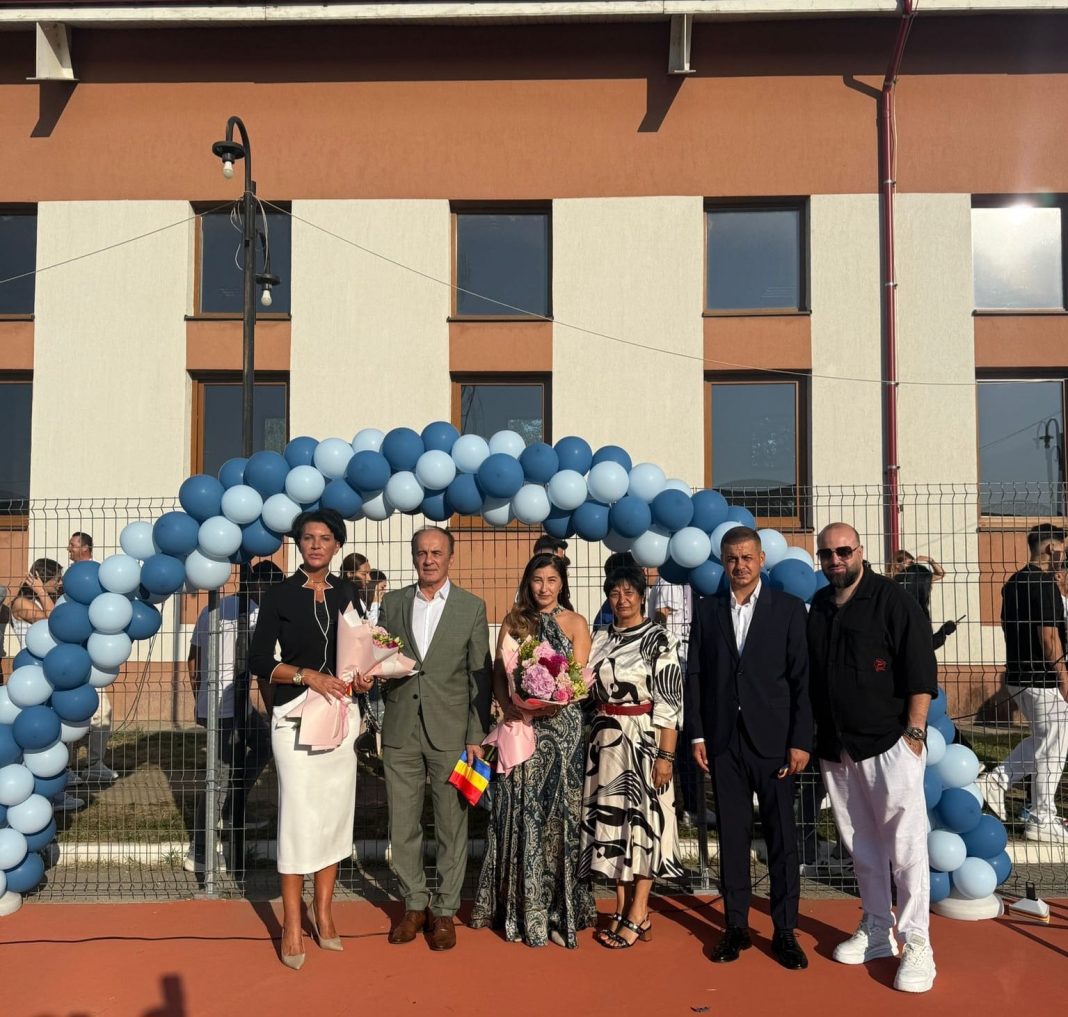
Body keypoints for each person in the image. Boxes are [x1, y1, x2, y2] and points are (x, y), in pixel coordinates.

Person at [808, 523, 937, 994]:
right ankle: (878, 927)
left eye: (844, 551)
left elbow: (920, 669)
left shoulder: (893, 601)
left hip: (889, 743)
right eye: (827, 554)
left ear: (860, 551)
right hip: (838, 748)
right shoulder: (820, 605)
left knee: (905, 845)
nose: (836, 560)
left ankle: (918, 941)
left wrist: (914, 733)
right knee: (860, 844)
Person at [248, 509, 375, 970]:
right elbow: (259, 660)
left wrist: (363, 679)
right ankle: (291, 923)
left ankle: (323, 912)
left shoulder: (348, 592)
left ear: (338, 545)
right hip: (294, 717)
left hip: (340, 715)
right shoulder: (279, 594)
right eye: (308, 538)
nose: (316, 545)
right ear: (298, 544)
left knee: (335, 814)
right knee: (299, 816)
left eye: (325, 538)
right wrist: (307, 676)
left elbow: (361, 652)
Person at [686, 526, 811, 969]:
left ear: (761, 560)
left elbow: (802, 679)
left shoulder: (789, 610)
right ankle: (735, 926)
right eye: (732, 558)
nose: (739, 565)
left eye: (746, 557)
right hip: (724, 742)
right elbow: (696, 676)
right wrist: (698, 735)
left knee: (781, 838)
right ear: (723, 562)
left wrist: (800, 740)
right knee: (733, 838)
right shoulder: (707, 610)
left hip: (774, 743)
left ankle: (784, 930)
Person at [470, 552, 597, 947]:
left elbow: (576, 680)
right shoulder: (514, 621)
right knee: (520, 811)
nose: (544, 587)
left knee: (559, 817)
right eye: (537, 580)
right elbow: (499, 670)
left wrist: (553, 700)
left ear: (562, 584)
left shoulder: (576, 622)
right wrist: (507, 703)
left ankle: (559, 911)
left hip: (562, 731)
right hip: (521, 728)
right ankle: (518, 908)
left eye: (551, 580)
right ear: (528, 582)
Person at [379, 526, 492, 952]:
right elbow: (379, 657)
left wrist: (475, 734)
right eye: (422, 553)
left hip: (451, 734)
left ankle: (444, 910)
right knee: (402, 823)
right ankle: (414, 904)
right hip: (401, 730)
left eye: (437, 553)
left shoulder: (471, 607)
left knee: (451, 824)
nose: (429, 560)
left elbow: (480, 676)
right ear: (413, 557)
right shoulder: (392, 603)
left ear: (450, 558)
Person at [579, 563, 684, 948]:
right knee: (614, 827)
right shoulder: (600, 637)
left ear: (642, 596)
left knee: (644, 825)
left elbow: (670, 703)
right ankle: (623, 907)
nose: (621, 599)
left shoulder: (659, 639)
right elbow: (585, 690)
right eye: (614, 592)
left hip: (644, 743)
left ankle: (639, 910)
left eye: (629, 592)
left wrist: (665, 756)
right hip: (604, 744)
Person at [185, 560, 283, 875]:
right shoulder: (257, 615)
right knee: (218, 777)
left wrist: (200, 699)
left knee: (263, 744)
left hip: (225, 704)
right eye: (273, 589)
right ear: (261, 586)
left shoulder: (212, 609)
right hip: (228, 708)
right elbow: (262, 669)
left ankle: (232, 809)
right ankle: (199, 851)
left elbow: (193, 659)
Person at [977, 524, 1068, 844]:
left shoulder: (1014, 582)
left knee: (1046, 741)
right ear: (1051, 549)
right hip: (1042, 678)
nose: (1064, 557)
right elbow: (1049, 638)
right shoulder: (1043, 584)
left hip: (1018, 675)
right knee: (1054, 748)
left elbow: (1008, 627)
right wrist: (1064, 677)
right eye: (1063, 550)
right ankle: (1042, 817)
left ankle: (996, 782)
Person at [11, 558, 84, 813]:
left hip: (49, 673)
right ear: (42, 580)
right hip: (32, 678)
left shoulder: (45, 600)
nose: (60, 583)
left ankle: (56, 790)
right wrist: (42, 592)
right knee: (39, 736)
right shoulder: (21, 602)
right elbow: (53, 622)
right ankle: (46, 793)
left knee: (54, 734)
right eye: (56, 579)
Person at [648, 573, 711, 828]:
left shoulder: (701, 580)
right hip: (678, 664)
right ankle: (689, 806)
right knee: (684, 738)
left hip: (696, 661)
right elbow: (661, 616)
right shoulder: (670, 580)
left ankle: (695, 805)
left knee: (694, 738)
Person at [67, 532, 118, 786]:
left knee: (101, 711)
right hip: (70, 656)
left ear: (85, 548)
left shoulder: (97, 576)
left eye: (73, 545)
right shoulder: (67, 577)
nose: (69, 548)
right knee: (69, 710)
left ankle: (94, 764)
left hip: (93, 654)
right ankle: (65, 766)